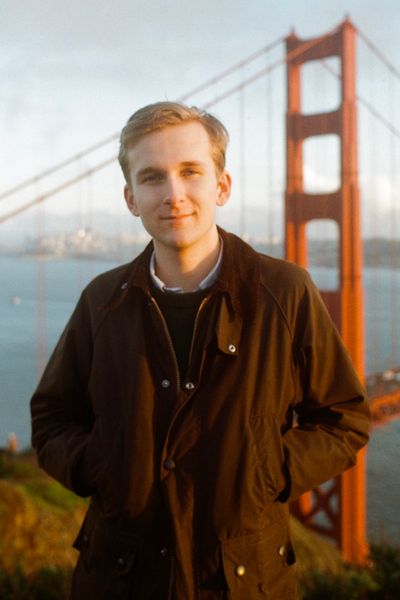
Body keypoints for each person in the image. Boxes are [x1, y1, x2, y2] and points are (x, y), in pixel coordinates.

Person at [30, 102, 370, 600]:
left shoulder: (286, 292)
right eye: (152, 178)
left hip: (246, 581)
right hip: (118, 578)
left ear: (222, 185)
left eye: (191, 172)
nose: (173, 194)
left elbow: (345, 418)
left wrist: (266, 473)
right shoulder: (101, 302)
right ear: (130, 198)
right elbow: (51, 416)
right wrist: (99, 465)